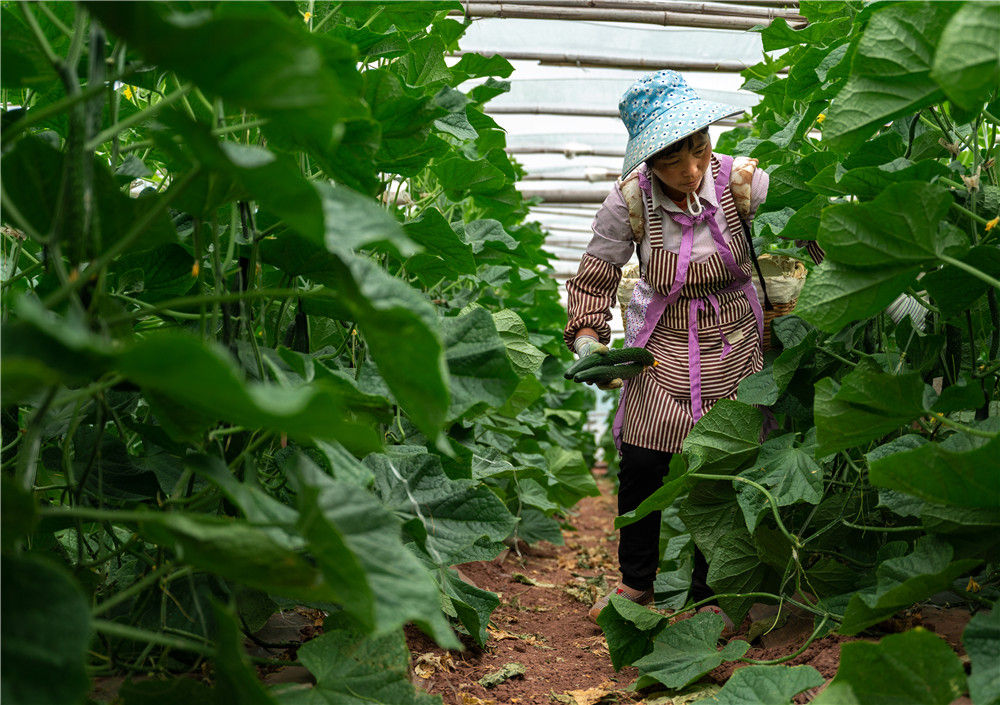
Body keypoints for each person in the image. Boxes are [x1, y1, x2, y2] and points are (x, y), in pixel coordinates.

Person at [562, 71, 770, 624]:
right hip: (663, 342)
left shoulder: (744, 182)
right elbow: (595, 274)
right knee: (644, 458)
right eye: (675, 162)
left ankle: (710, 590)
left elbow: (810, 231)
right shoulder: (628, 201)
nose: (693, 171)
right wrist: (587, 339)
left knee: (721, 466)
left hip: (735, 337)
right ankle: (637, 584)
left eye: (699, 151)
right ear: (649, 161)